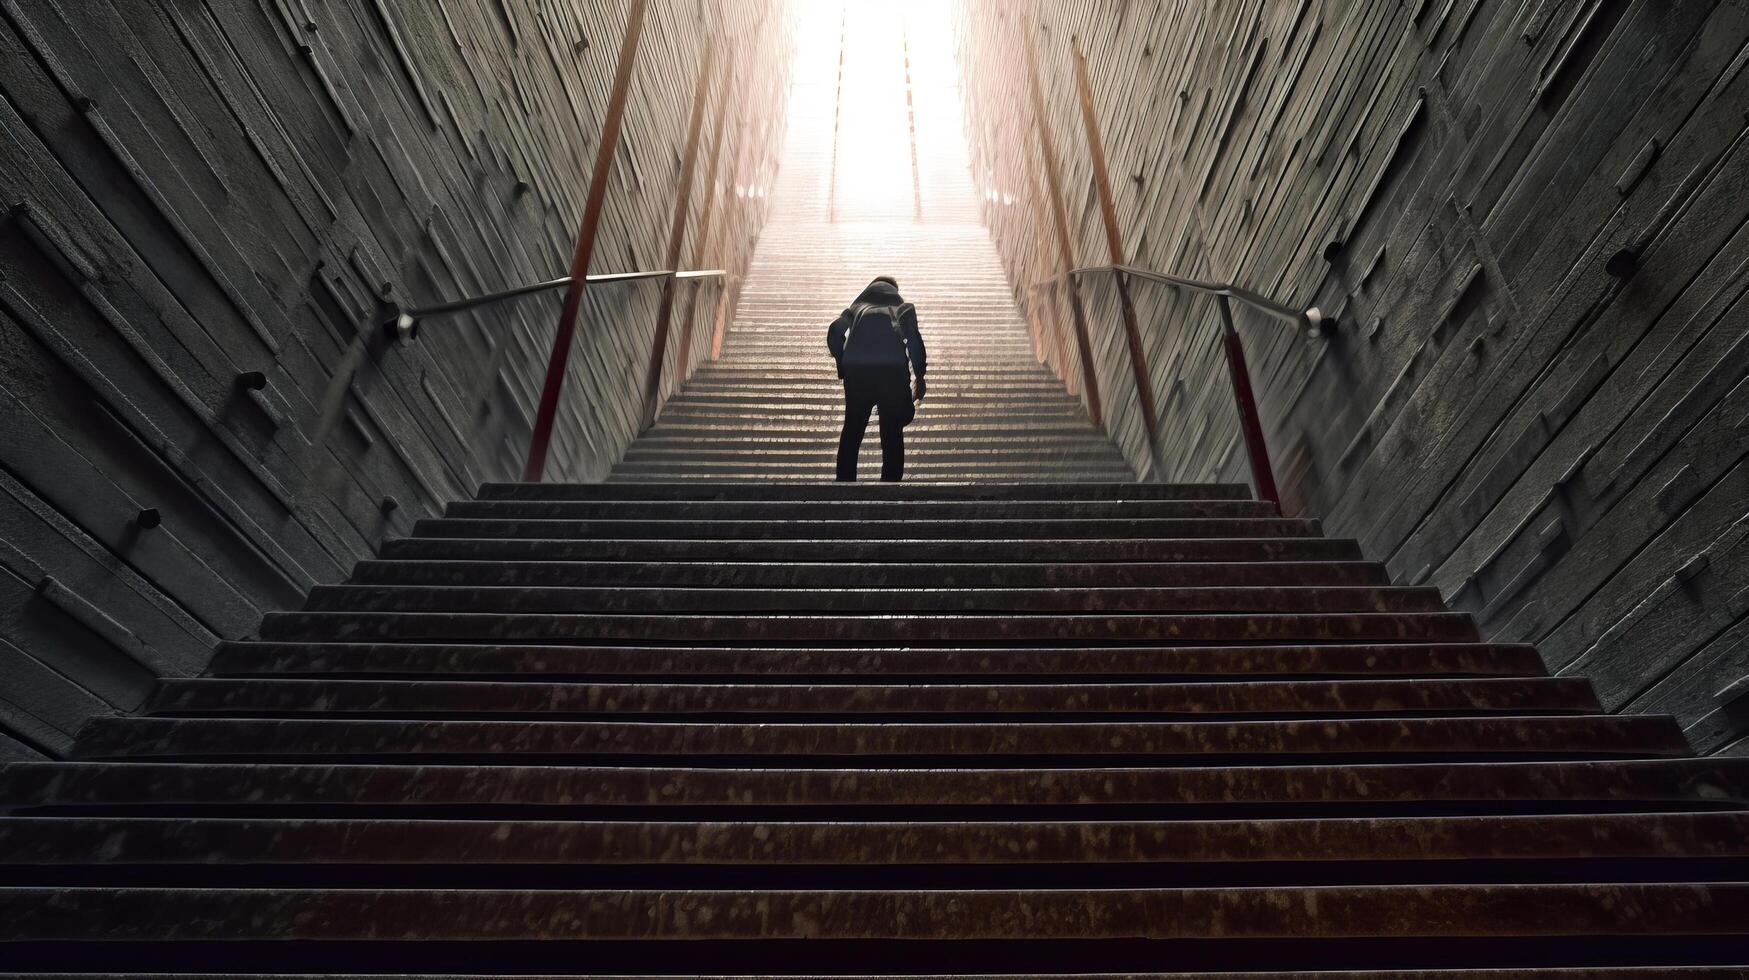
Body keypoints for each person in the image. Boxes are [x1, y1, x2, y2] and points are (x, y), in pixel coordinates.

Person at [826, 275, 927, 481]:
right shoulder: (902, 308)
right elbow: (914, 341)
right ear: (895, 291)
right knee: (892, 432)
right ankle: (889, 487)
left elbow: (834, 332)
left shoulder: (856, 308)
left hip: (858, 371)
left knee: (852, 430)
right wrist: (920, 376)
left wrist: (841, 362)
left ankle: (844, 486)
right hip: (892, 372)